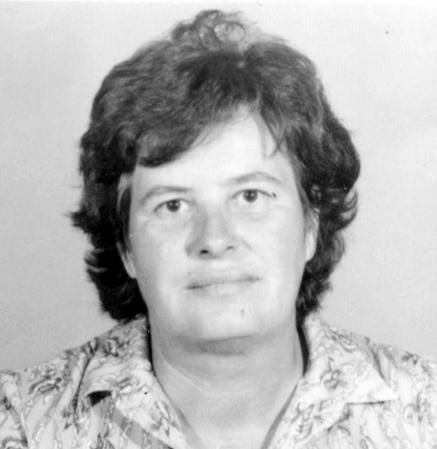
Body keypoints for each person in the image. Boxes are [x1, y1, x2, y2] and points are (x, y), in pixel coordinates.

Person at [0, 9, 436, 449]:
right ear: (126, 246)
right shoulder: (19, 424)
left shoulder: (426, 412)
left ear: (310, 224)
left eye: (250, 196)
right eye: (173, 205)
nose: (214, 239)